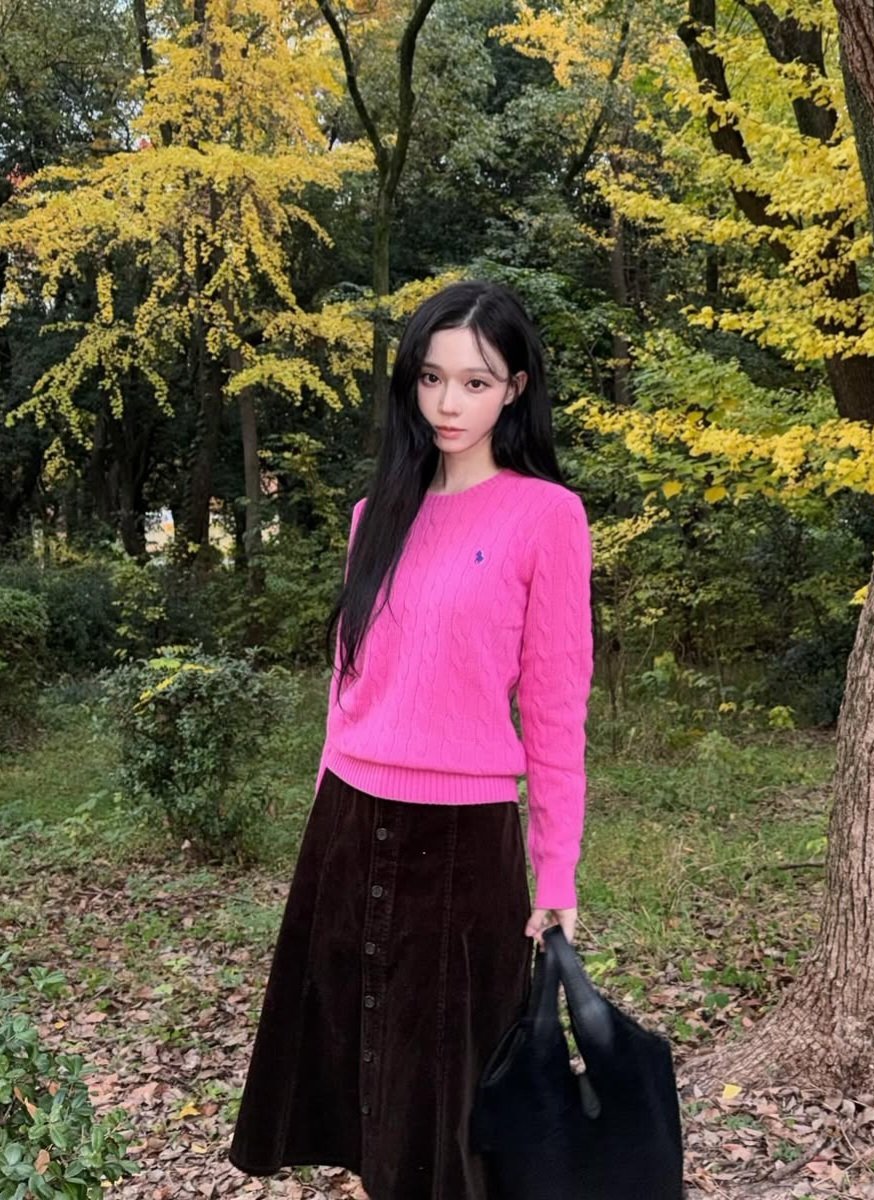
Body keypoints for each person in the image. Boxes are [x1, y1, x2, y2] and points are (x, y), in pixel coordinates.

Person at [227, 278, 595, 1200]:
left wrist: (556, 872)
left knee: (445, 1105)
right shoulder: (376, 514)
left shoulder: (547, 517)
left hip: (463, 842)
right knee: (354, 1082)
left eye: (475, 381)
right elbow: (347, 683)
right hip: (349, 824)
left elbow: (555, 710)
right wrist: (323, 811)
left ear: (515, 388)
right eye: (432, 378)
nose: (448, 403)